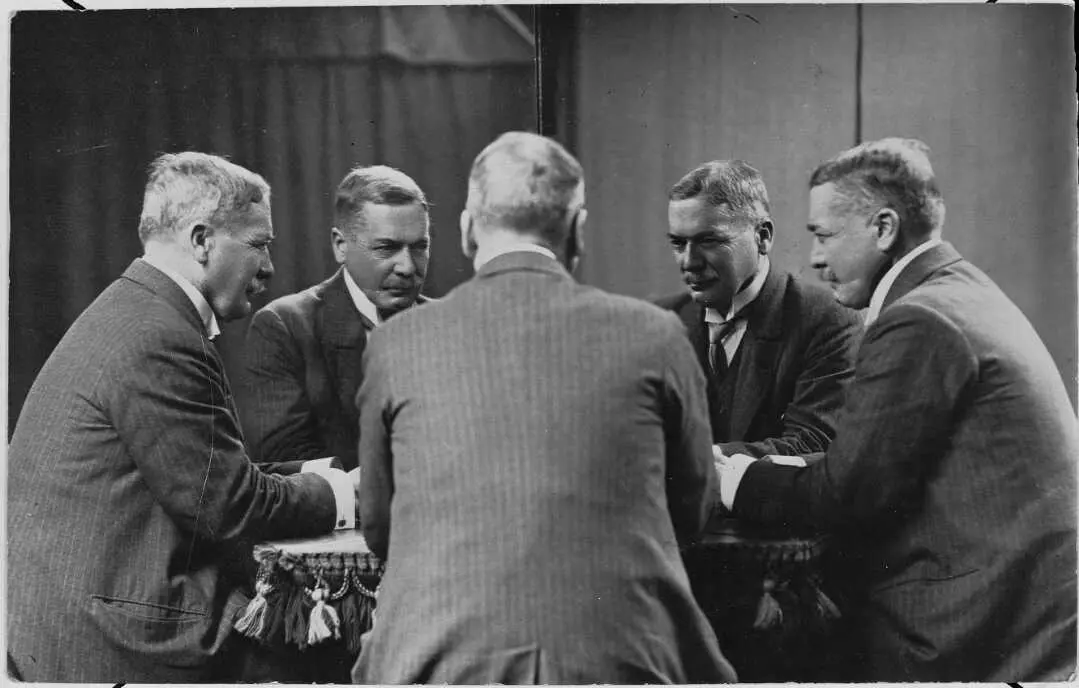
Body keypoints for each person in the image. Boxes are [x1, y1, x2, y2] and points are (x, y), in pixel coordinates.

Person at [352, 132, 737, 684]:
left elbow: (380, 526)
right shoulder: (656, 333)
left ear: (465, 228)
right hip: (622, 658)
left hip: (437, 662)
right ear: (578, 229)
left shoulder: (397, 343)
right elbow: (691, 510)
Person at [717, 138, 1078, 681]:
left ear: (884, 229)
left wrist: (733, 480)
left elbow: (850, 495)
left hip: (972, 623)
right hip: (1023, 604)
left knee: (751, 639)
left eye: (824, 236)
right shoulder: (959, 290)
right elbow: (869, 466)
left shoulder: (920, 319)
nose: (814, 258)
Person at [5, 152, 357, 683]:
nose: (269, 268)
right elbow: (230, 507)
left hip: (77, 615)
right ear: (201, 240)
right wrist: (348, 497)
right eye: (260, 244)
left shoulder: (133, 311)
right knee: (344, 652)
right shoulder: (160, 338)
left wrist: (325, 474)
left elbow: (205, 474)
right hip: (118, 637)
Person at [656, 160, 861, 458]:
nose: (689, 262)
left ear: (762, 236)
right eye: (678, 243)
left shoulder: (827, 321)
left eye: (709, 241)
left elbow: (812, 442)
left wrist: (688, 463)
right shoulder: (664, 322)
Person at [239, 166, 432, 472]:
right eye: (387, 248)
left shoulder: (451, 325)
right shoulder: (285, 327)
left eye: (420, 247)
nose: (408, 267)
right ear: (341, 246)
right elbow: (286, 461)